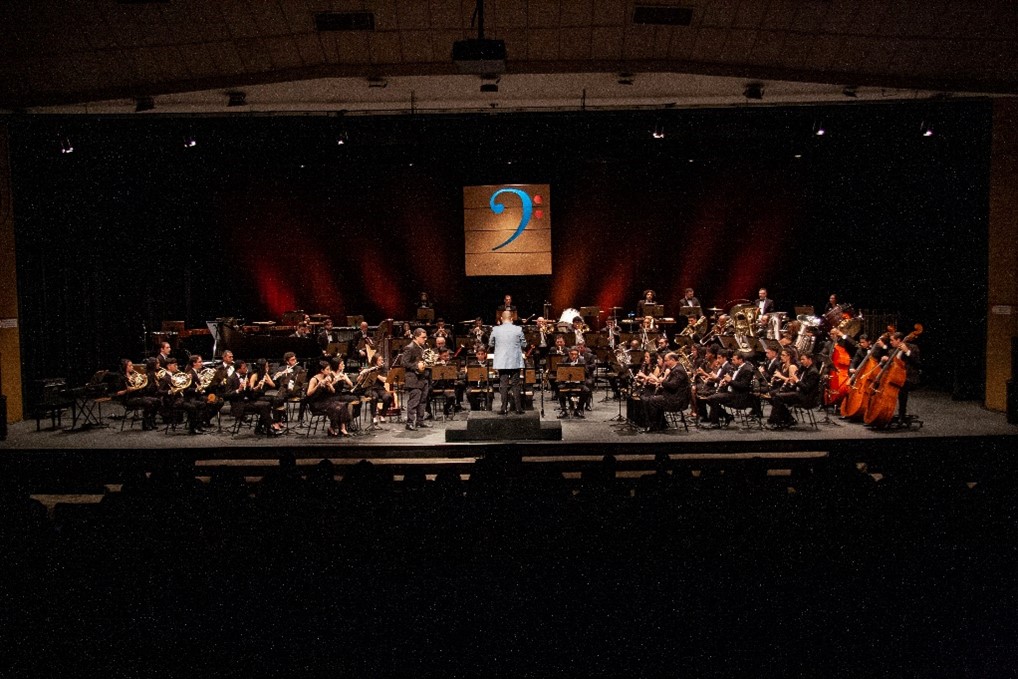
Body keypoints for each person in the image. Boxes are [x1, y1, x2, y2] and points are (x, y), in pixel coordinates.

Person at [488, 310, 527, 415]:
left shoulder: (495, 329)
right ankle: (518, 408)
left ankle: (504, 408)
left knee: (503, 385)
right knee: (516, 385)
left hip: (502, 361)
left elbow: (490, 344)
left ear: (501, 318)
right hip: (515, 361)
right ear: (512, 318)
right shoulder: (518, 329)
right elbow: (524, 344)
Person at [641, 352, 691, 432]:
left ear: (672, 360)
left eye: (666, 360)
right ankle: (659, 424)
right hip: (672, 396)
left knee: (651, 400)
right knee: (648, 398)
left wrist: (661, 381)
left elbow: (673, 385)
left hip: (676, 400)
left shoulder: (678, 370)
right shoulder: (676, 369)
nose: (665, 363)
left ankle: (654, 426)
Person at [768, 352, 820, 428]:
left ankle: (778, 421)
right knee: (774, 395)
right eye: (800, 359)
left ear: (810, 359)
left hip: (807, 397)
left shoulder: (813, 372)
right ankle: (788, 419)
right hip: (799, 393)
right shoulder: (804, 368)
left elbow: (806, 388)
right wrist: (790, 382)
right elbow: (797, 381)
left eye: (803, 359)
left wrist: (796, 380)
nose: (801, 361)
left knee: (778, 397)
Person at [305, 360, 351, 437]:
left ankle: (341, 428)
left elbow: (332, 391)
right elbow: (309, 393)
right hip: (316, 402)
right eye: (327, 369)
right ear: (322, 370)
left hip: (325, 400)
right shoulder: (314, 379)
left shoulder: (327, 378)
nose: (329, 371)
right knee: (336, 407)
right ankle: (332, 428)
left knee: (342, 405)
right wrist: (318, 385)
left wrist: (331, 384)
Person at [112, 358, 161, 430]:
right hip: (128, 398)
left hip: (137, 396)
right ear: (125, 367)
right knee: (148, 403)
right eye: (130, 366)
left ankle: (151, 420)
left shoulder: (134, 375)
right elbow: (118, 393)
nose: (132, 367)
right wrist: (127, 390)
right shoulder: (121, 378)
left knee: (157, 401)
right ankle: (145, 423)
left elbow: (140, 386)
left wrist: (143, 379)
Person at [401, 328, 431, 430]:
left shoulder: (422, 347)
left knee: (422, 401)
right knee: (414, 401)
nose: (425, 339)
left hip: (423, 378)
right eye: (423, 337)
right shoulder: (409, 347)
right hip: (413, 379)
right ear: (416, 337)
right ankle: (409, 423)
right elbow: (404, 362)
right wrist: (417, 366)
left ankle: (420, 421)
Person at [557, 347, 590, 418]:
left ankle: (579, 409)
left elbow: (587, 373)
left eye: (576, 354)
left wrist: (581, 369)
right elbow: (560, 373)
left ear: (578, 355)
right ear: (569, 354)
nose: (574, 356)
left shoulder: (582, 361)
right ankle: (564, 410)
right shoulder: (564, 361)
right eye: (572, 354)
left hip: (578, 384)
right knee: (559, 389)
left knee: (586, 391)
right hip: (566, 383)